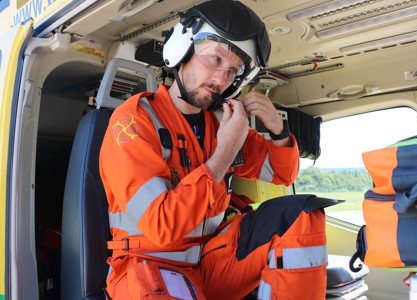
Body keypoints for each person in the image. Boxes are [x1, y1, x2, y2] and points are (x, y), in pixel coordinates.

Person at [99, 0, 330, 299]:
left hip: (213, 261)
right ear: (183, 49)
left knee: (302, 214)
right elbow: (161, 225)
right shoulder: (133, 121)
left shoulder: (222, 123)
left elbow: (284, 174)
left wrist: (278, 130)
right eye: (215, 59)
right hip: (151, 264)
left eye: (234, 70)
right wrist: (225, 153)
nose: (222, 79)